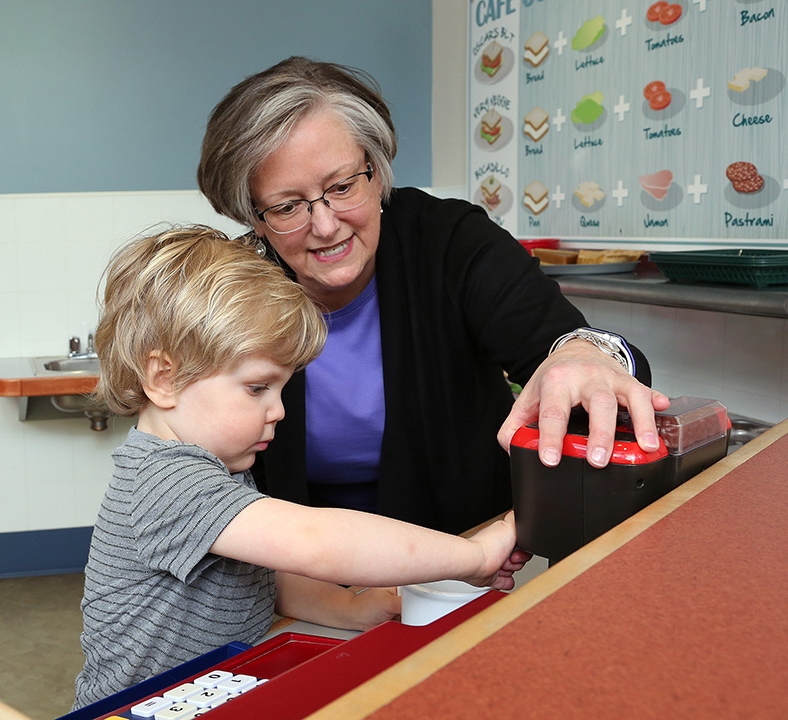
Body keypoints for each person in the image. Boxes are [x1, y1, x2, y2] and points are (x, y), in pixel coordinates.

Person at [197, 57, 670, 536]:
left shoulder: (450, 241)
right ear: (254, 217)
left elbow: (570, 344)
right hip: (296, 568)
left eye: (342, 187)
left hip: (464, 556)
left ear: (376, 172)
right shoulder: (233, 288)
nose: (324, 226)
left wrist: (585, 354)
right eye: (287, 206)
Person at [72, 226, 525, 708]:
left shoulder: (216, 466)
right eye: (256, 388)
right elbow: (315, 543)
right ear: (164, 379)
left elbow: (265, 574)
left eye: (282, 389)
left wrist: (350, 608)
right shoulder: (164, 480)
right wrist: (473, 555)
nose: (279, 411)